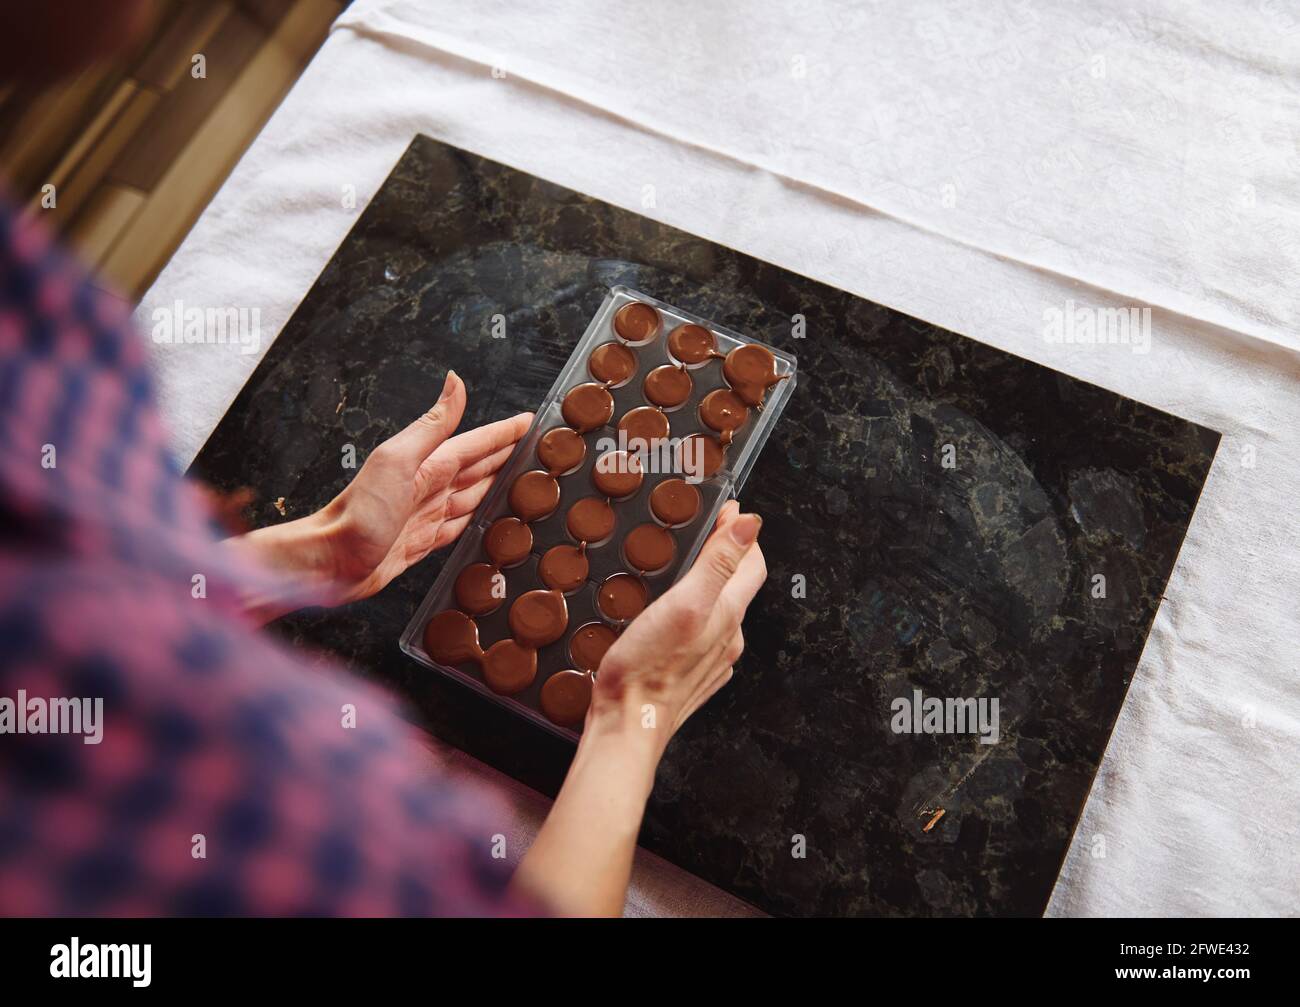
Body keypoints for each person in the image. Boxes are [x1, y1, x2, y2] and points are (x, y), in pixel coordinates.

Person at [0, 2, 766, 917]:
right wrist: (633, 711)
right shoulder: (167, 814)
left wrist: (309, 550)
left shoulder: (33, 306)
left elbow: (82, 585)